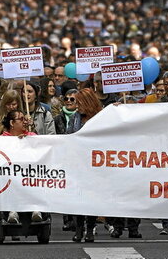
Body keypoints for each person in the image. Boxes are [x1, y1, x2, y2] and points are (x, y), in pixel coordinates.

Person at [67, 89, 104, 242]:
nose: (76, 105)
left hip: (95, 163)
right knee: (78, 197)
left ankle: (89, 228)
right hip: (77, 163)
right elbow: (67, 135)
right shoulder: (75, 118)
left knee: (92, 198)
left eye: (79, 102)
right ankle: (79, 229)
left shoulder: (101, 118)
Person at [1, 109, 42, 227]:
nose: (25, 122)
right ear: (12, 123)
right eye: (21, 119)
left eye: (25, 119)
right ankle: (12, 210)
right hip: (10, 172)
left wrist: (28, 141)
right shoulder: (2, 139)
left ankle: (36, 208)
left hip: (29, 172)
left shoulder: (32, 136)